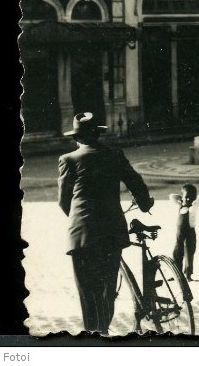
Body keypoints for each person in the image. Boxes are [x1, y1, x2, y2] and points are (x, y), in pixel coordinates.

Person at [58, 112, 154, 334]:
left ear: (77, 137)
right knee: (108, 287)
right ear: (97, 134)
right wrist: (144, 204)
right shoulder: (114, 154)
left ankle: (92, 334)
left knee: (87, 290)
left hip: (81, 233)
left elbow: (64, 201)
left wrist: (79, 220)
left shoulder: (69, 159)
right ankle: (103, 330)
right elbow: (135, 182)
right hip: (111, 231)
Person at [170, 183, 199, 282]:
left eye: (191, 197)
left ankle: (188, 275)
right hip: (179, 233)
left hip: (190, 232)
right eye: (186, 197)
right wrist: (181, 199)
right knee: (177, 252)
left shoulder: (193, 207)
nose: (188, 199)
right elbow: (171, 196)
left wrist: (194, 201)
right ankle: (176, 273)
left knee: (189, 252)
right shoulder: (180, 205)